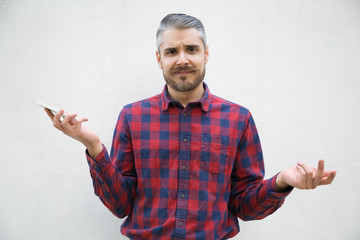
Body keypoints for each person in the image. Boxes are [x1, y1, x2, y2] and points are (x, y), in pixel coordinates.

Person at [44, 13, 336, 240]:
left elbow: (245, 207)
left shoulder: (239, 119)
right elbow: (121, 206)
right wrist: (93, 147)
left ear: (206, 54)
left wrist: (282, 181)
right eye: (171, 51)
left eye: (192, 49)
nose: (182, 59)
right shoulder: (132, 117)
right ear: (159, 59)